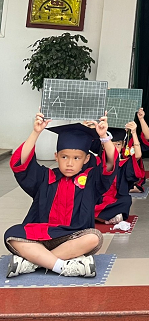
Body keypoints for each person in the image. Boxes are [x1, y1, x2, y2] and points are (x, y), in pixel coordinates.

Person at [5, 114, 117, 278]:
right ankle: (63, 266)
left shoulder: (91, 180)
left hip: (73, 237)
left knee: (94, 238)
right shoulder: (45, 178)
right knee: (11, 235)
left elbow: (110, 164)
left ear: (86, 159)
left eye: (76, 158)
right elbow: (21, 164)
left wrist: (104, 137)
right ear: (56, 156)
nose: (70, 163)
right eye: (64, 157)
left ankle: (34, 262)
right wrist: (36, 132)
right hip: (41, 235)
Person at [94, 123, 145, 225]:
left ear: (122, 145)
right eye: (111, 144)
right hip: (99, 196)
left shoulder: (124, 163)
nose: (114, 147)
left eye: (118, 144)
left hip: (116, 197)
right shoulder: (97, 161)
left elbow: (138, 155)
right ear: (103, 145)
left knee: (126, 200)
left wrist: (134, 133)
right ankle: (105, 217)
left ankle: (99, 217)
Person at [129, 108, 149, 193]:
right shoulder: (109, 136)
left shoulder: (132, 139)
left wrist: (141, 118)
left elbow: (147, 138)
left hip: (130, 171)